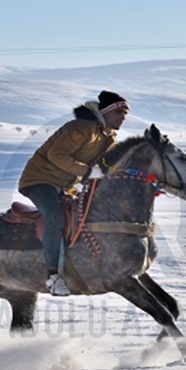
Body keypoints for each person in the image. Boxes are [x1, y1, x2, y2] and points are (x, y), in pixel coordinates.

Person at [18, 91, 130, 295]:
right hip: (40, 180)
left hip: (64, 186)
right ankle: (52, 276)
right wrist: (89, 172)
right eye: (119, 112)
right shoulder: (81, 128)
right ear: (106, 112)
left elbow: (106, 164)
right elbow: (57, 155)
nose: (123, 117)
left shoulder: (109, 136)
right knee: (55, 216)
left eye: (125, 113)